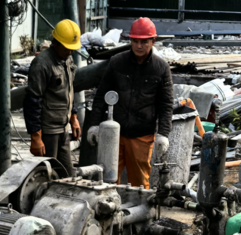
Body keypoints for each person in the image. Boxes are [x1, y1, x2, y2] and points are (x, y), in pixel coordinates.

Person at [86, 17, 173, 188]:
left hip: (142, 135)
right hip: (114, 134)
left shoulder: (161, 68)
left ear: (153, 41)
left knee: (139, 184)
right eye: (135, 41)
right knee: (108, 180)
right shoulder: (117, 62)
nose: (139, 46)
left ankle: (138, 206)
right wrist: (94, 125)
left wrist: (163, 134)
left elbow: (166, 105)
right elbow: (101, 95)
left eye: (144, 42)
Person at [23, 19, 82, 178]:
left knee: (67, 177)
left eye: (72, 49)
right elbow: (32, 101)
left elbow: (68, 91)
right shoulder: (42, 64)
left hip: (63, 129)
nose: (70, 52)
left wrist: (73, 117)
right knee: (47, 177)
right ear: (56, 43)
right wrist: (36, 137)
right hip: (48, 132)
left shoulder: (67, 59)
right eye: (67, 48)